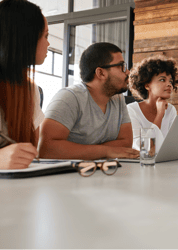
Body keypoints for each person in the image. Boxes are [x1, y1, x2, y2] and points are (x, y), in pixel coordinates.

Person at [38, 42, 139, 160]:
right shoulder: (69, 97)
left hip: (102, 173)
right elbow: (46, 148)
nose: (127, 72)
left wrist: (86, 151)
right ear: (101, 73)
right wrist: (107, 151)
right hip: (69, 175)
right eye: (121, 66)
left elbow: (126, 143)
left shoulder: (118, 99)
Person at [0, 0, 49, 169]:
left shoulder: (30, 90)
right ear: (25, 38)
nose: (48, 44)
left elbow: (30, 153)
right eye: (45, 36)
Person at [128, 55, 178, 153]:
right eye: (162, 80)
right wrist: (160, 115)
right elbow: (145, 148)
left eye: (171, 81)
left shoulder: (171, 110)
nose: (169, 84)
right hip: (140, 165)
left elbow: (172, 146)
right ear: (147, 85)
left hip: (163, 163)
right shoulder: (131, 110)